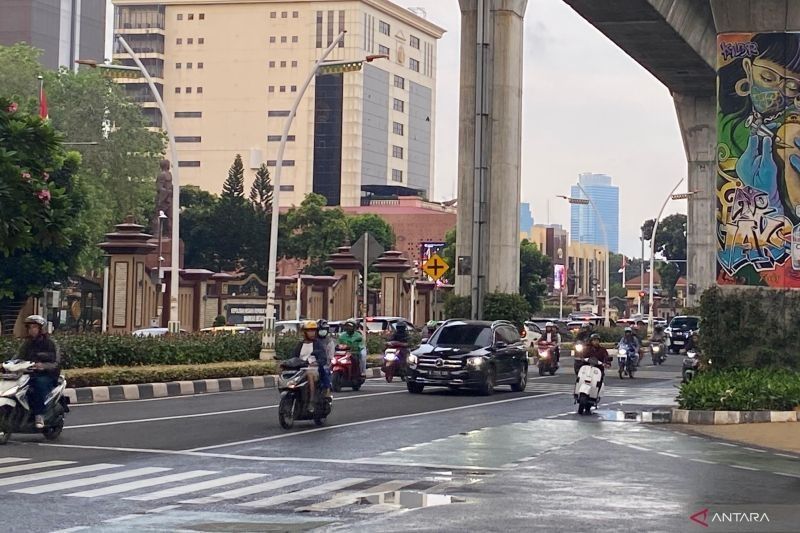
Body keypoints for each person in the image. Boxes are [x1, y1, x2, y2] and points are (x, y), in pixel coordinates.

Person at [18, 315, 60, 429]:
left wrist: (43, 366)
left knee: (38, 385)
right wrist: (7, 364)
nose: (32, 330)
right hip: (29, 374)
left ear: (41, 329)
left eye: (34, 327)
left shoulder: (50, 343)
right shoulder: (27, 343)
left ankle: (39, 415)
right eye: (30, 327)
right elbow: (18, 358)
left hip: (47, 375)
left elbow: (56, 363)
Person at [292, 320, 326, 410]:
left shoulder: (318, 344)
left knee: (310, 374)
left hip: (313, 370)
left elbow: (323, 358)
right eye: (309, 330)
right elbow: (294, 357)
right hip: (300, 370)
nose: (312, 333)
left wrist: (316, 363)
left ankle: (312, 401)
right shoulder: (300, 344)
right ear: (304, 332)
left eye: (313, 330)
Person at [316, 319, 334, 396]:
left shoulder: (329, 341)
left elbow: (330, 356)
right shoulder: (313, 340)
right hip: (310, 364)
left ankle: (327, 392)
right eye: (321, 329)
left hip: (323, 364)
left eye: (324, 329)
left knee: (326, 372)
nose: (323, 331)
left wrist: (327, 362)